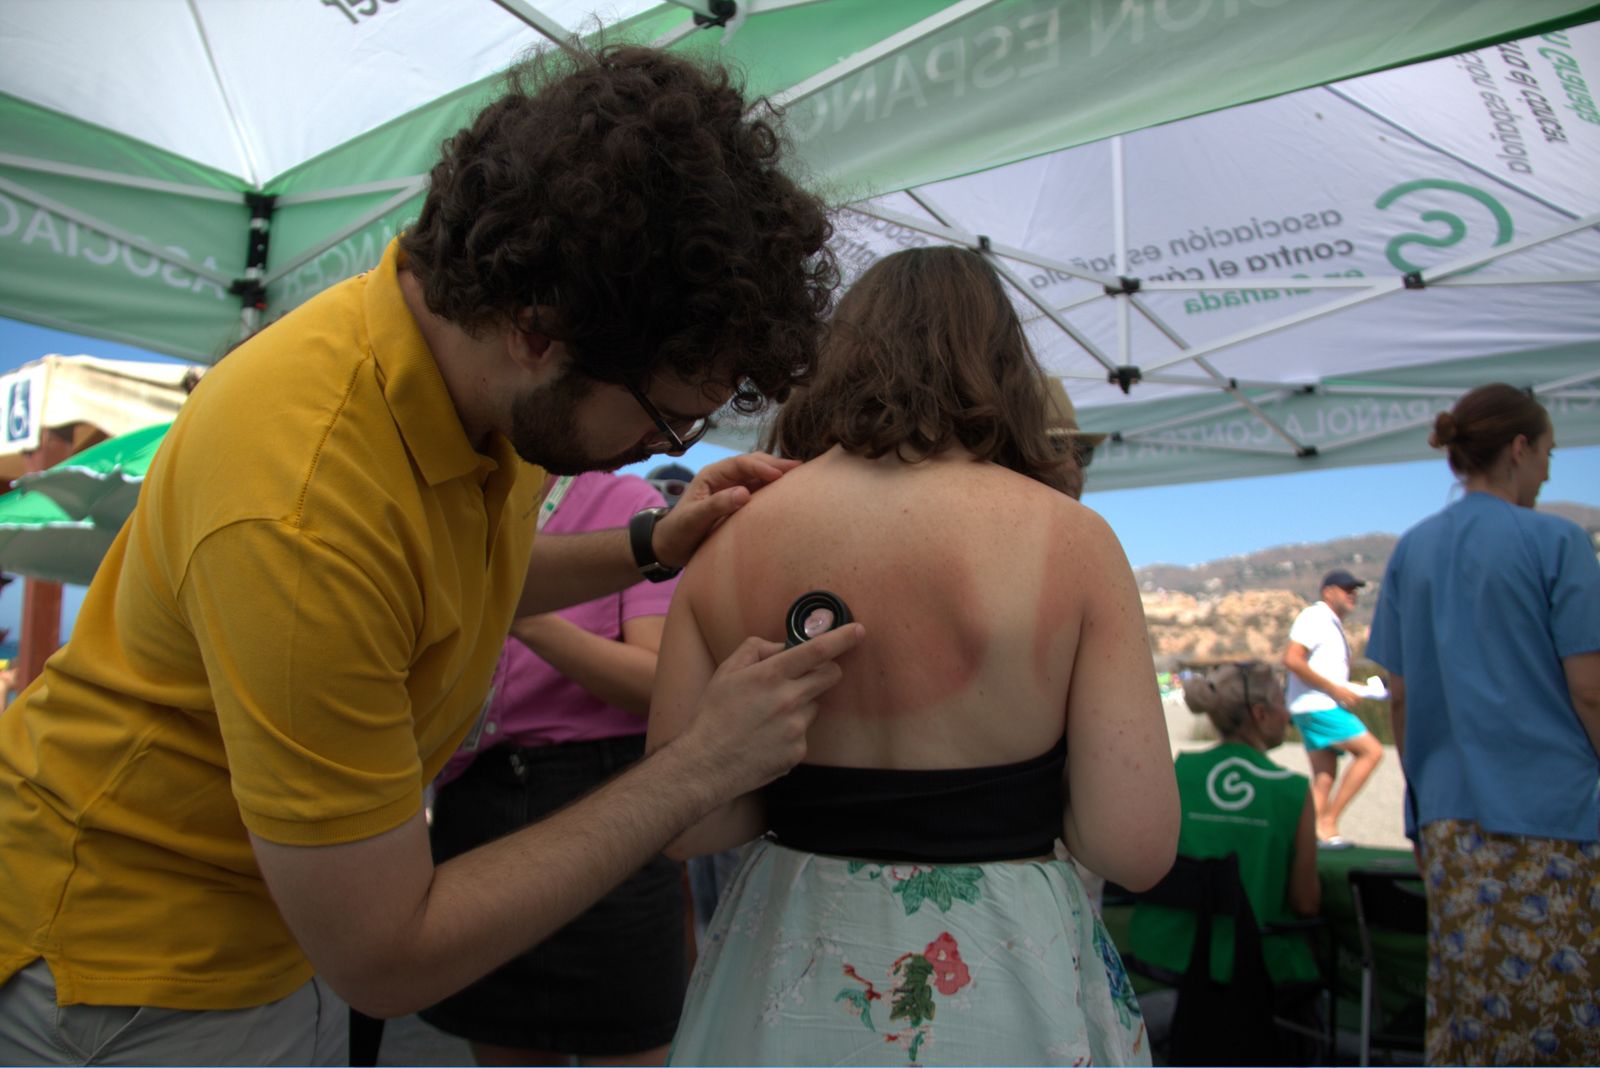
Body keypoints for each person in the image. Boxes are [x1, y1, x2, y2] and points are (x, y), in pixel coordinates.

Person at [0, 43, 864, 1066]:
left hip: (273, 936)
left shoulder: (468, 388)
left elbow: (437, 583)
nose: (662, 451)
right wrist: (697, 766)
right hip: (139, 975)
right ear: (543, 328)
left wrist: (649, 544)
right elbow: (387, 955)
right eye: (665, 421)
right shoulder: (305, 500)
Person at [647, 246, 1179, 1065]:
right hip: (1001, 973)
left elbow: (694, 822)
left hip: (788, 964)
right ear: (1001, 364)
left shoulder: (727, 541)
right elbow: (1134, 846)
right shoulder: (1073, 541)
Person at [1366, 383, 1600, 1066]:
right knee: (1562, 1016)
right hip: (1554, 820)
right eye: (1549, 452)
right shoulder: (1557, 540)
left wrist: (1421, 806)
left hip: (1448, 821)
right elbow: (1589, 690)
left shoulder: (1411, 551)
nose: (1551, 469)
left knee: (1472, 1014)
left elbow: (1399, 697)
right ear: (1520, 448)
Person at [419, 471, 686, 1066]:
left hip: (602, 803)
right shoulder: (460, 500)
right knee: (504, 1038)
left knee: (632, 1037)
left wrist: (521, 613)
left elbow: (655, 681)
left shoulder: (627, 505)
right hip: (476, 804)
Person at [1130, 662, 1320, 989]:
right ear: (1259, 714)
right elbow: (1306, 903)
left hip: (1163, 951)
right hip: (1253, 963)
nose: (1287, 716)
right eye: (1282, 702)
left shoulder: (1178, 772)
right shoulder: (1293, 791)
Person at [1281, 568, 1383, 847]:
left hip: (1314, 704)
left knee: (1324, 777)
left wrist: (1349, 688)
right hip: (1317, 705)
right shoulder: (1315, 617)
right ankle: (1328, 821)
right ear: (1328, 592)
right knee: (1371, 752)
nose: (1353, 595)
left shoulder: (1330, 623)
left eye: (1355, 590)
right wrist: (1335, 689)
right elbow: (1292, 659)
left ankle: (1310, 836)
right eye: (1346, 589)